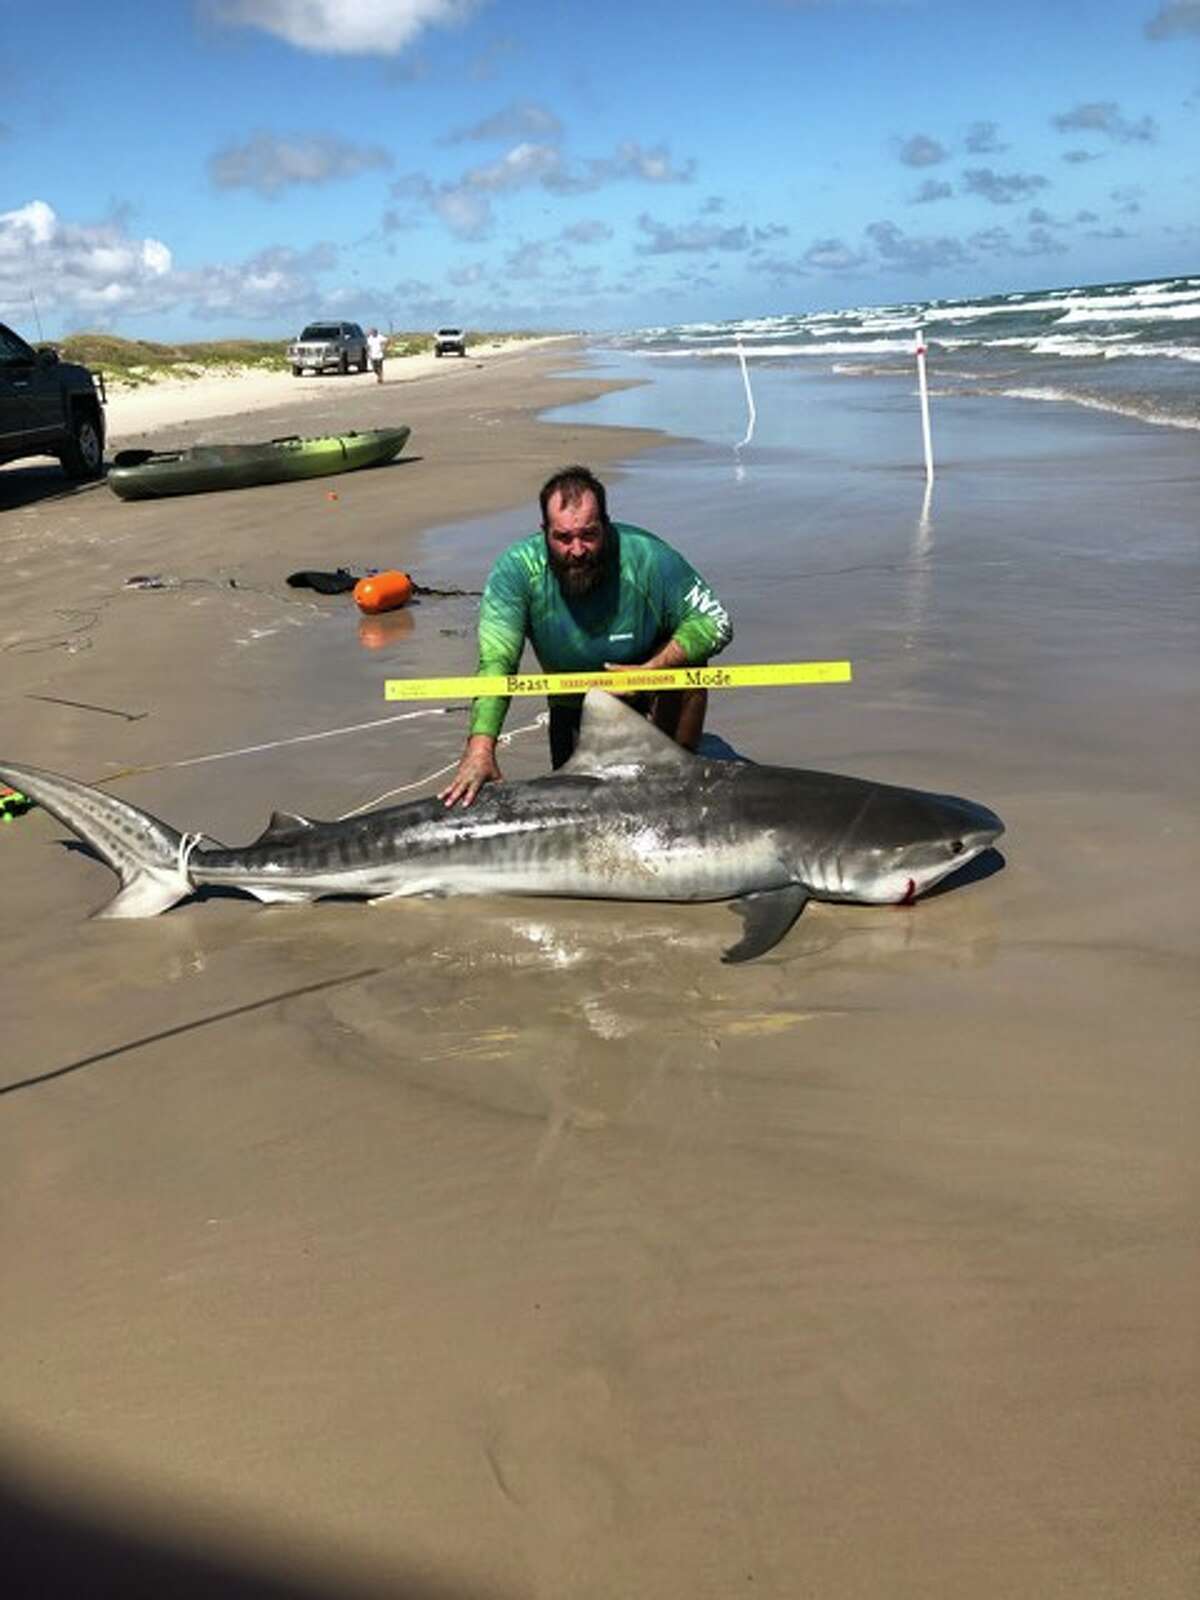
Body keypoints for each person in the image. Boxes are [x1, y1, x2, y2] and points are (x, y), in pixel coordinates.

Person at [440, 465, 733, 807]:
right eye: (563, 538)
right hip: (574, 707)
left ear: (606, 526)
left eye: (589, 535)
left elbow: (715, 621)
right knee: (580, 807)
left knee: (689, 665)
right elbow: (496, 662)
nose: (577, 550)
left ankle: (678, 782)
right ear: (544, 532)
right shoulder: (517, 571)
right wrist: (480, 748)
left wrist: (653, 669)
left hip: (649, 693)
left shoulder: (647, 558)